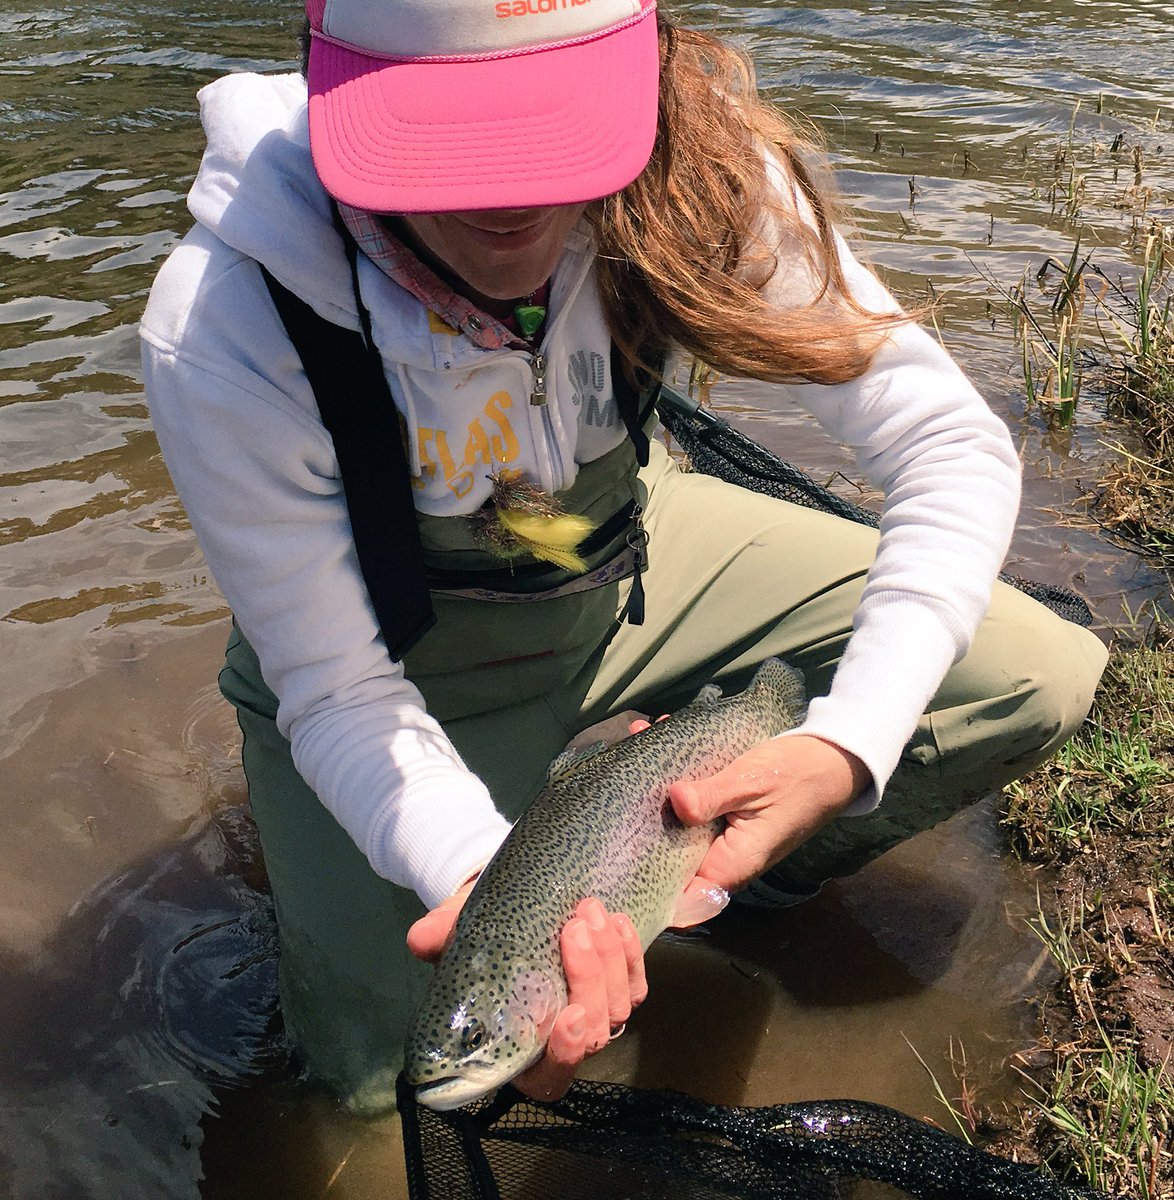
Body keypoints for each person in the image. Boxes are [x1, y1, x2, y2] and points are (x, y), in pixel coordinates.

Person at [140, 0, 1108, 1114]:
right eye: (444, 143)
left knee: (1033, 672)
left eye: (557, 131)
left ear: (638, 68)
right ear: (338, 82)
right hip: (394, 675)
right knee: (380, 1086)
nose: (511, 199)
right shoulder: (228, 318)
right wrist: (484, 882)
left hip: (628, 566)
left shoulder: (700, 170)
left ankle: (729, 870)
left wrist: (843, 749)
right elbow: (333, 683)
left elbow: (948, 444)